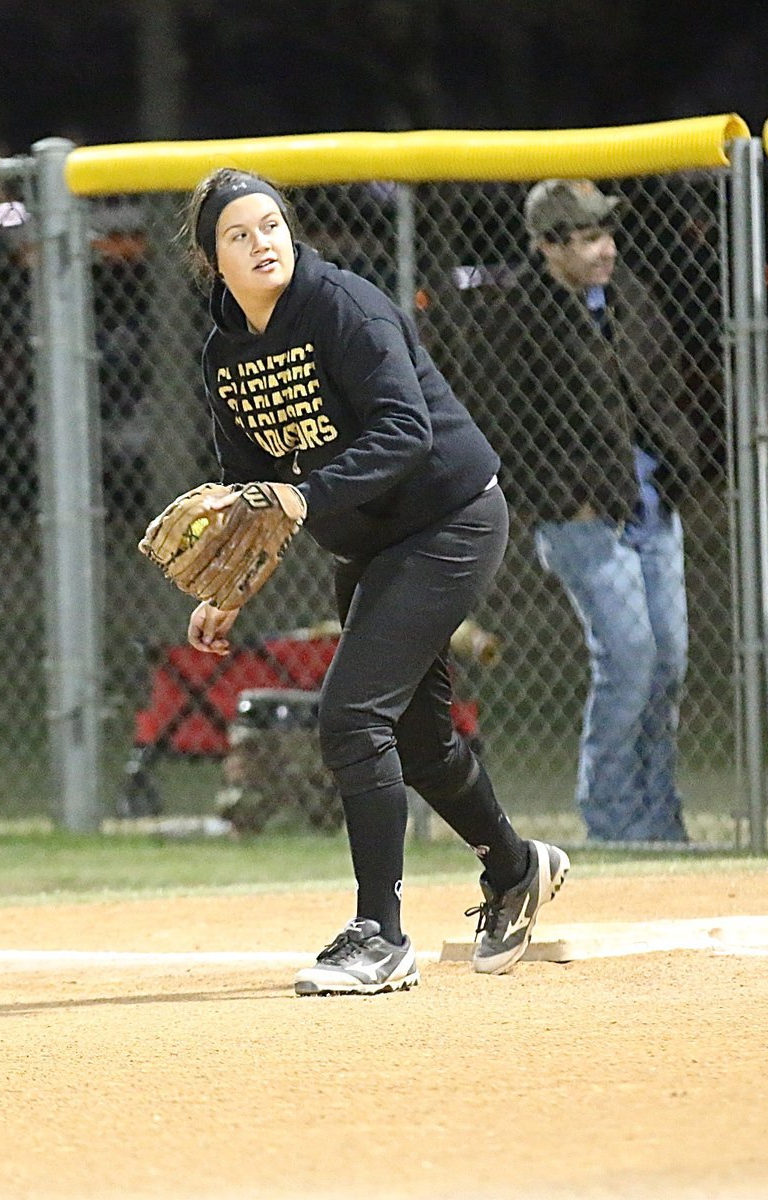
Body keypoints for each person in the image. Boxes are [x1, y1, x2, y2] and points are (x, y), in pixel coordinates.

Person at [175, 167, 569, 996]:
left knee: (351, 717)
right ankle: (513, 867)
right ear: (212, 260)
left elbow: (405, 431)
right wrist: (231, 582)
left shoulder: (342, 308)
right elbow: (249, 483)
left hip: (449, 519)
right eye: (237, 235)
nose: (261, 243)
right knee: (418, 741)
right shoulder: (226, 352)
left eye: (271, 224)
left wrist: (305, 494)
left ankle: (379, 935)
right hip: (371, 546)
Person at [461, 179, 699, 844]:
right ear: (547, 245)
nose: (605, 249)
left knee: (666, 665)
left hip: (652, 511)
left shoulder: (629, 297)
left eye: (605, 233)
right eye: (588, 237)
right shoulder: (520, 318)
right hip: (584, 520)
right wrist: (568, 498)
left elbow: (667, 386)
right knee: (627, 660)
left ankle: (660, 822)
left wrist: (676, 460)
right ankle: (612, 820)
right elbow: (501, 427)